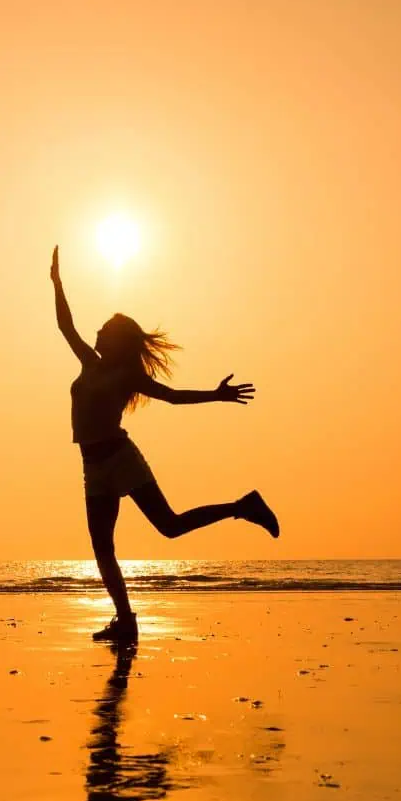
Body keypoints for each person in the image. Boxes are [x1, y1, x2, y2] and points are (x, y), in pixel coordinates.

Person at [50, 245, 279, 643]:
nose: (97, 332)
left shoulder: (126, 376)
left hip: (121, 459)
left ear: (117, 340)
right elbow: (65, 326)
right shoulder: (90, 362)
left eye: (104, 328)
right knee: (102, 548)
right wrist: (57, 283)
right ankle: (125, 620)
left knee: (169, 526)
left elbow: (173, 396)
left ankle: (243, 506)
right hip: (92, 467)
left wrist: (215, 395)